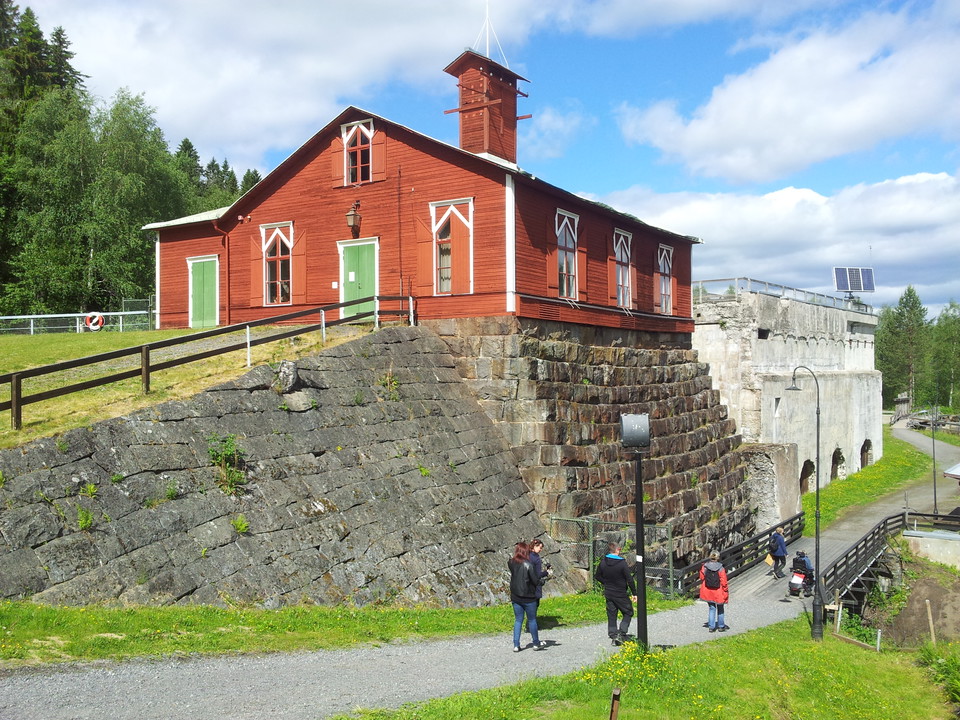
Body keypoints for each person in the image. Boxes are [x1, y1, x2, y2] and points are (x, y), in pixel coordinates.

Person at [594, 542, 637, 646]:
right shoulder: (622, 563)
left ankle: (613, 634)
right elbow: (629, 579)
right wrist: (634, 593)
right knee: (628, 612)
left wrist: (606, 583)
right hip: (620, 592)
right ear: (618, 549)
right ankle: (621, 634)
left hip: (608, 592)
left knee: (612, 613)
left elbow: (597, 576)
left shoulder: (603, 561)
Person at [508, 541, 546, 652]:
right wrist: (542, 581)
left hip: (516, 596)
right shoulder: (528, 565)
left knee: (518, 620)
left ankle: (516, 645)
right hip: (529, 597)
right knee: (532, 620)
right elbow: (535, 581)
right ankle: (536, 643)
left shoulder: (511, 562)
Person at [699, 551, 729, 632]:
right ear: (718, 558)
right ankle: (721, 626)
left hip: (708, 591)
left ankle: (711, 627)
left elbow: (701, 577)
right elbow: (724, 581)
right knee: (720, 608)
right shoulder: (720, 568)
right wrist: (726, 590)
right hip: (718, 591)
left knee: (712, 608)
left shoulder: (705, 566)